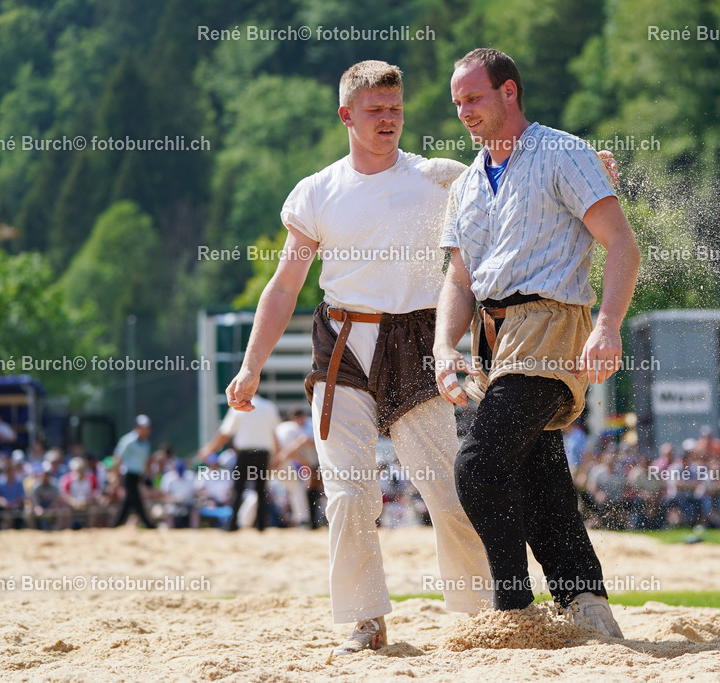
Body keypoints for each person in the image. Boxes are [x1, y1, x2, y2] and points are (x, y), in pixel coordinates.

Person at [224, 60, 495, 657]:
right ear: (347, 115)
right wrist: (250, 366)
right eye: (375, 111)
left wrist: (589, 168)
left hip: (422, 345)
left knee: (447, 491)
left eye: (395, 110)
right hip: (344, 346)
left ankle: (479, 616)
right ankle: (365, 620)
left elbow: (512, 175)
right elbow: (284, 288)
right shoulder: (317, 191)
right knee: (348, 493)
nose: (388, 120)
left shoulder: (438, 177)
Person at [432, 48, 640, 638]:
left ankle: (514, 608)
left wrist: (607, 324)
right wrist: (447, 347)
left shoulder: (564, 153)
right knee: (537, 470)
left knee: (478, 463)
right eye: (457, 103)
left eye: (474, 98)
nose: (464, 111)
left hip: (551, 321)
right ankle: (586, 600)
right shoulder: (467, 183)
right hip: (490, 336)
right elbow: (459, 278)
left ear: (509, 92)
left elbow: (621, 244)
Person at [198, 393, 280, 531]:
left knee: (238, 488)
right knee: (261, 489)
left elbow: (225, 433)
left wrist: (209, 449)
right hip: (263, 453)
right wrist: (277, 455)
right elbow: (274, 434)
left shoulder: (240, 407)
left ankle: (232, 524)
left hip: (245, 453)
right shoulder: (269, 406)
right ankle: (261, 525)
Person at [273, 409, 315, 527]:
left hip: (272, 460)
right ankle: (303, 521)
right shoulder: (293, 428)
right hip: (282, 461)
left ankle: (243, 520)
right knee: (297, 490)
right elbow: (296, 447)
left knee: (259, 491)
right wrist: (305, 463)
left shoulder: (280, 427)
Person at [112, 415, 155, 528]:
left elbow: (144, 462)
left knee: (128, 502)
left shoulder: (146, 443)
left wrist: (145, 475)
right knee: (136, 501)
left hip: (137, 475)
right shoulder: (128, 441)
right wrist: (116, 477)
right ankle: (148, 524)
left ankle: (114, 524)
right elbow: (118, 458)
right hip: (128, 474)